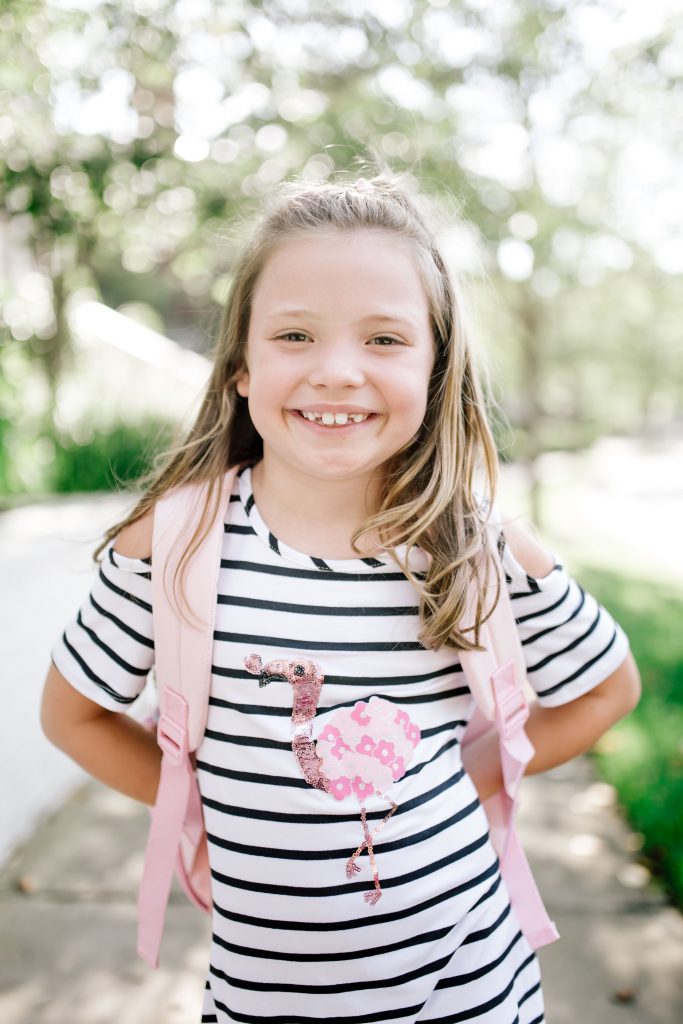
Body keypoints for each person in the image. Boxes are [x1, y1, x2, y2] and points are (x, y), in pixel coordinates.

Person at [41, 173, 640, 1024]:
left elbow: (606, 689)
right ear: (242, 367)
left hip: (468, 995)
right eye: (294, 334)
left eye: (385, 340)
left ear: (436, 367)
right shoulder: (174, 546)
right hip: (262, 997)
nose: (336, 371)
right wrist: (215, 806)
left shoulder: (473, 548)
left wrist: (460, 783)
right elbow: (74, 716)